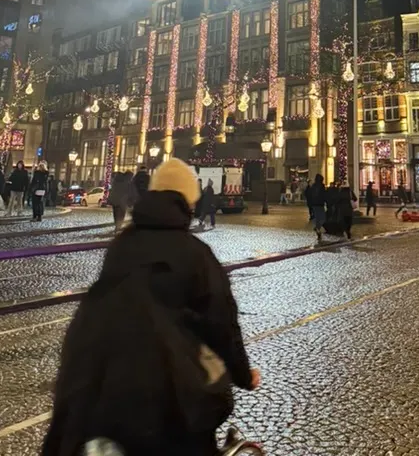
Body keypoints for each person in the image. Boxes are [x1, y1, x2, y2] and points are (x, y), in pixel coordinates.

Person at [42, 158, 259, 456]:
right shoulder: (195, 254)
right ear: (188, 200)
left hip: (107, 386)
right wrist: (243, 375)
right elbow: (221, 323)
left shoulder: (123, 245)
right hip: (171, 393)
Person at [305, 173, 327, 245]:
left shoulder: (313, 186)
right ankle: (317, 228)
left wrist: (310, 202)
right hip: (320, 204)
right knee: (323, 218)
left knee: (317, 217)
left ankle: (317, 229)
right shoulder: (322, 186)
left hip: (314, 204)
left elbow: (309, 194)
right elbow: (324, 195)